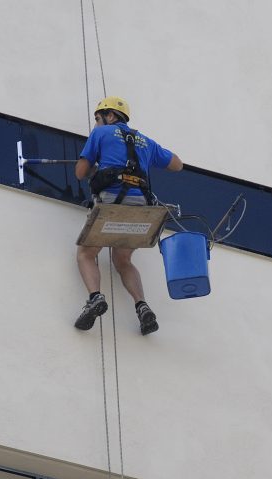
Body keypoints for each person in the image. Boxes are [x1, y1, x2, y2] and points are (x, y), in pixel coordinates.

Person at [72, 96, 183, 335]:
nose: (96, 124)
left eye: (98, 119)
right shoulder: (146, 142)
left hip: (112, 204)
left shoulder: (100, 134)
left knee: (86, 254)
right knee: (123, 261)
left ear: (110, 116)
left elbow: (80, 172)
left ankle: (95, 297)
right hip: (142, 209)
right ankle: (142, 306)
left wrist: (95, 166)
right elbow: (177, 164)